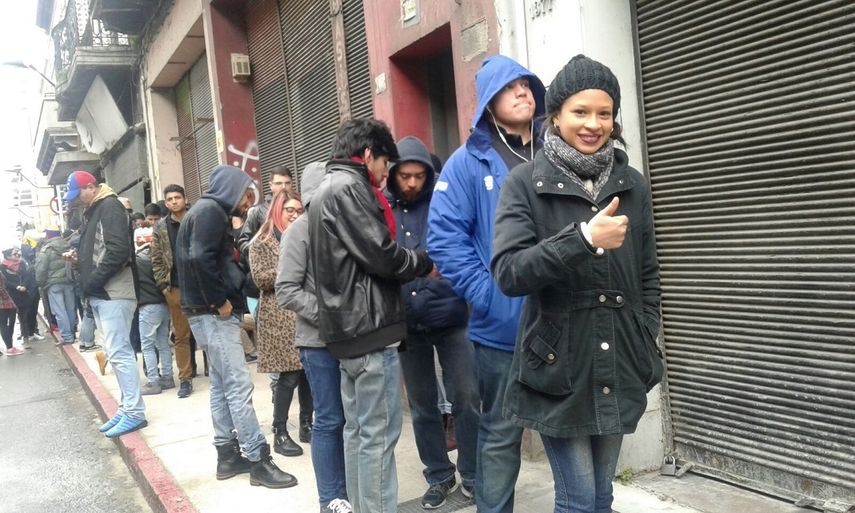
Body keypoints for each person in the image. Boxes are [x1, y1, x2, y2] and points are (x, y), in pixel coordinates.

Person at [491, 54, 664, 513]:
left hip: (620, 357)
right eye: (580, 112)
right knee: (577, 499)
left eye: (604, 113)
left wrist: (646, 332)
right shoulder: (525, 183)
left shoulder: (633, 185)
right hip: (558, 364)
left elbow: (648, 272)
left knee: (602, 497)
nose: (593, 124)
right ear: (557, 114)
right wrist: (583, 240)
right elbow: (509, 272)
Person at [427, 55, 545, 513]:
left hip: (565, 318)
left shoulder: (554, 150)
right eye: (509, 86)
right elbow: (444, 240)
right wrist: (490, 295)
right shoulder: (466, 163)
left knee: (568, 429)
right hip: (502, 330)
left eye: (527, 84)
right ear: (487, 103)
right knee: (500, 434)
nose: (522, 92)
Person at [308, 119, 433, 513]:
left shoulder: (325, 189)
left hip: (347, 333)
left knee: (359, 434)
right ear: (367, 155)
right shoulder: (349, 188)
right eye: (384, 164)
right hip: (369, 329)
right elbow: (382, 254)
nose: (385, 175)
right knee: (377, 437)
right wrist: (422, 262)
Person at [175, 164, 296, 489]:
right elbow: (199, 259)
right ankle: (258, 460)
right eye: (245, 193)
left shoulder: (201, 211)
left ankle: (227, 455)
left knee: (221, 385)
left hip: (201, 313)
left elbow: (199, 258)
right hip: (212, 314)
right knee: (238, 387)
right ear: (232, 189)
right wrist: (219, 301)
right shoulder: (212, 211)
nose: (248, 200)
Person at [385, 136, 479, 508]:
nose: (412, 183)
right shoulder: (382, 207)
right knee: (422, 405)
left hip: (453, 316)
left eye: (419, 176)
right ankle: (439, 475)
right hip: (406, 322)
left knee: (467, 398)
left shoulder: (445, 200)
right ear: (393, 174)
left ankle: (471, 473)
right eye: (405, 176)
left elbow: (466, 245)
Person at [278, 162, 352, 513]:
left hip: (352, 339)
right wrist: (329, 315)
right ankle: (332, 499)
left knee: (352, 418)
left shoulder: (343, 226)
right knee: (329, 418)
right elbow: (286, 291)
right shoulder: (300, 230)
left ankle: (351, 489)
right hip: (318, 342)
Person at [64, 170, 146, 438]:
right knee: (115, 352)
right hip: (105, 293)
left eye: (79, 195)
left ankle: (134, 412)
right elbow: (104, 252)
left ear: (91, 187)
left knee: (120, 353)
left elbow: (118, 252)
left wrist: (93, 282)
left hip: (113, 293)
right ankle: (126, 408)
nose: (76, 201)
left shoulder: (109, 206)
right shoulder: (96, 209)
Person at [248, 190, 312, 458]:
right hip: (278, 318)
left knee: (309, 372)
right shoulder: (261, 241)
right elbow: (261, 279)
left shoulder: (306, 235)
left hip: (305, 313)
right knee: (288, 377)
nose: (295, 214)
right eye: (289, 210)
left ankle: (307, 424)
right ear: (277, 210)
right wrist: (292, 266)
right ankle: (280, 431)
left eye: (298, 210)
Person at [151, 184, 194, 397]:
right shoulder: (160, 227)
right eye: (170, 199)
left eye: (178, 197)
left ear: (185, 199)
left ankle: (218, 374)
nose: (174, 201)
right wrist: (163, 286)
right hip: (175, 287)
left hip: (199, 285)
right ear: (166, 203)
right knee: (181, 335)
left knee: (208, 333)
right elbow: (156, 257)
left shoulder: (196, 218)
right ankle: (185, 378)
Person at [135, 227, 173, 396]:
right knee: (163, 344)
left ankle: (153, 381)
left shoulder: (136, 261)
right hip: (164, 304)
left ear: (139, 241)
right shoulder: (160, 258)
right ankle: (168, 377)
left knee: (148, 346)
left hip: (148, 306)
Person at [36, 227, 81, 347]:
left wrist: (40, 283)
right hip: (69, 281)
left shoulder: (46, 249)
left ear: (49, 235)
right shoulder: (68, 246)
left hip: (53, 284)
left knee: (59, 311)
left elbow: (41, 269)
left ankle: (67, 337)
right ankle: (72, 333)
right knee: (70, 309)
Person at [1, 248, 38, 349]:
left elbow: (27, 276)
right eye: (15, 254)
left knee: (24, 317)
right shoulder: (2, 267)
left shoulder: (22, 264)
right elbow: (5, 281)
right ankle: (9, 344)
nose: (17, 256)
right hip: (10, 296)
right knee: (11, 320)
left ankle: (26, 339)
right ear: (8, 256)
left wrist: (24, 286)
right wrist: (16, 287)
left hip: (23, 294)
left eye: (18, 254)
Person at [0, 266, 22, 356]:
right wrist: (6, 296)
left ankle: (10, 346)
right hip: (3, 302)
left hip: (4, 301)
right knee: (4, 324)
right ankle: (9, 347)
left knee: (4, 324)